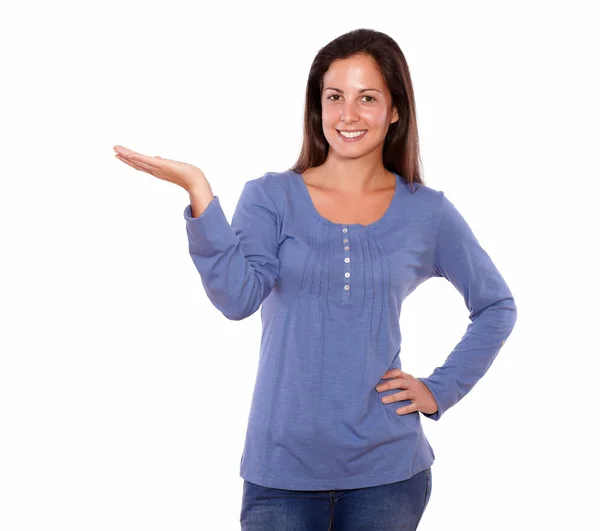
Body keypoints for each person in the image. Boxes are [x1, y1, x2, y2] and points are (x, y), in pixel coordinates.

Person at [114, 27, 517, 531]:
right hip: (280, 471)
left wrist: (440, 389)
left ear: (395, 110)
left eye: (367, 98)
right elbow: (237, 298)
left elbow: (496, 306)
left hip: (387, 473)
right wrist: (198, 189)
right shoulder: (270, 196)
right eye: (334, 97)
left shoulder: (427, 211)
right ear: (318, 107)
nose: (348, 115)